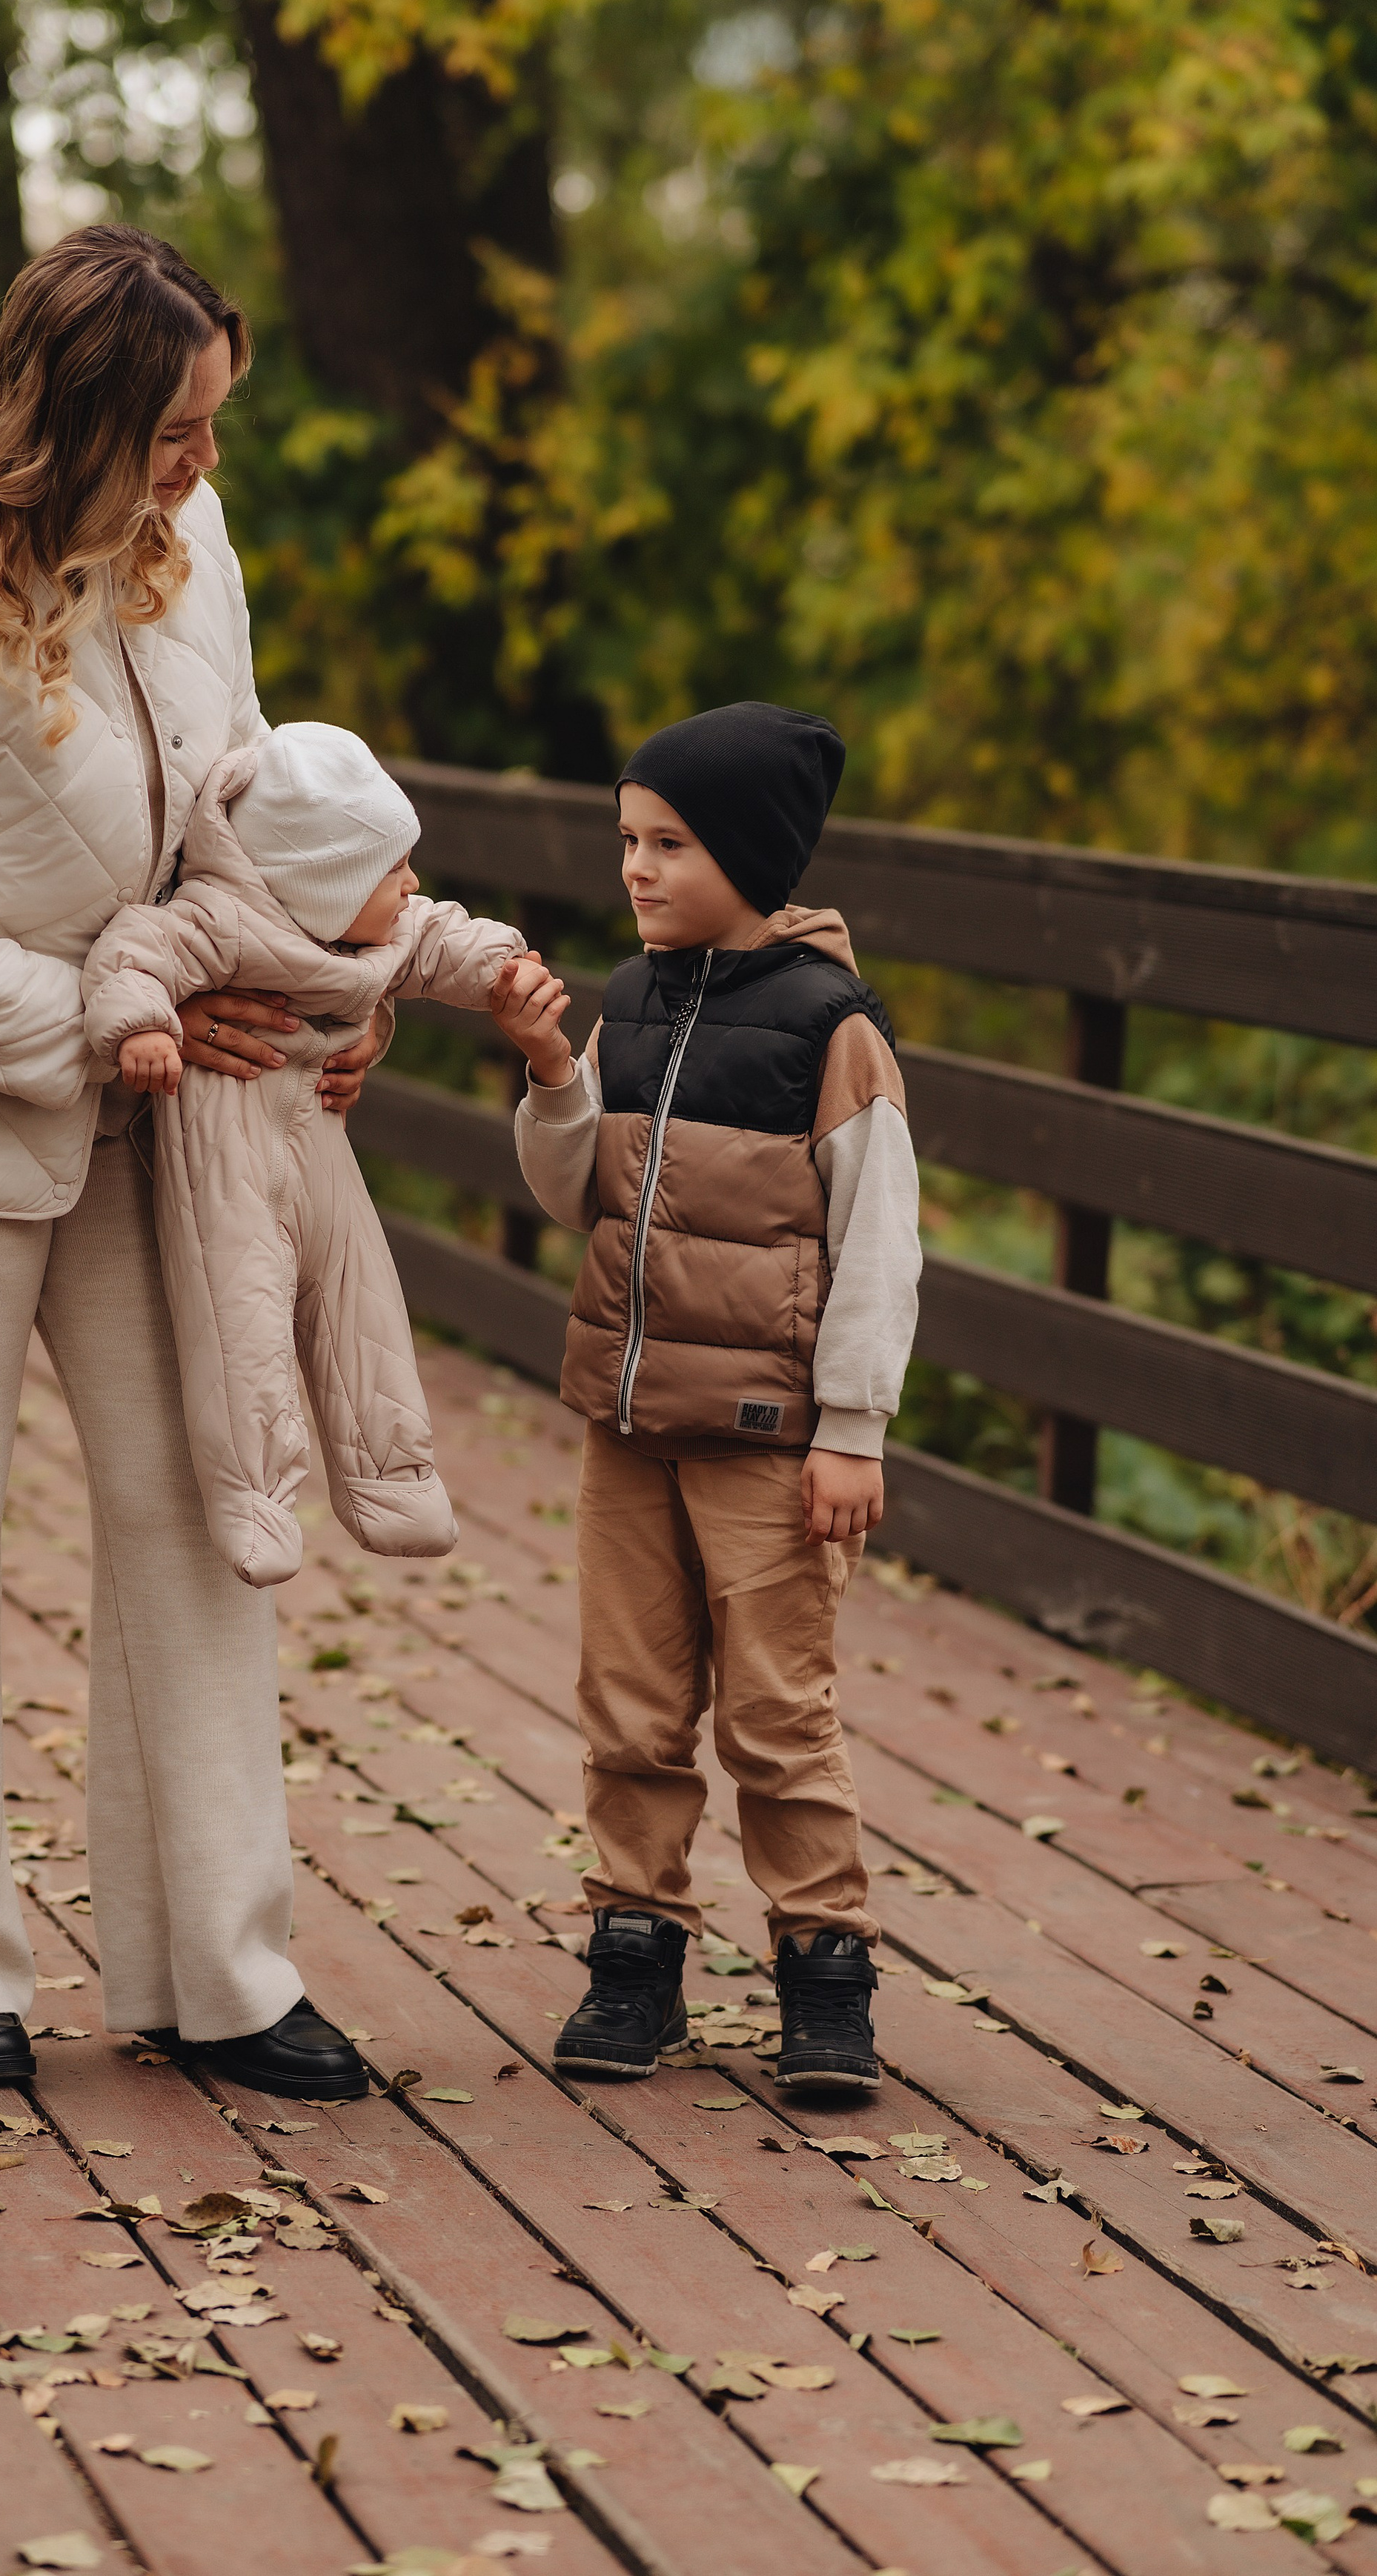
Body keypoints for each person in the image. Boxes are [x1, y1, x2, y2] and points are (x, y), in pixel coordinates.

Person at [0, 224, 379, 2103]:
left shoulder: (199, 568)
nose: (202, 459)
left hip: (154, 1111)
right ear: (77, 415)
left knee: (202, 1510)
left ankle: (217, 1967)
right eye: (175, 430)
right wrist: (98, 1027)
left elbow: (240, 811)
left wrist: (313, 989)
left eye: (211, 425)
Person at [494, 702, 922, 2093]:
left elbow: (879, 1245)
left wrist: (852, 1430)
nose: (637, 867)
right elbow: (577, 1194)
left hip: (767, 1438)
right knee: (628, 1698)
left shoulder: (830, 1028)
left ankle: (826, 1968)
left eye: (669, 842)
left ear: (750, 851)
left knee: (776, 1711)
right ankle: (636, 1954)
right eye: (628, 839)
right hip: (630, 1426)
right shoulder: (634, 997)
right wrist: (559, 1071)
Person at [82, 721, 534, 1587]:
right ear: (318, 882)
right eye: (391, 869)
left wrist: (501, 967)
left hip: (323, 1151)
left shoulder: (375, 929)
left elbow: (439, 936)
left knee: (359, 1304)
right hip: (229, 1159)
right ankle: (252, 1499)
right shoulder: (222, 921)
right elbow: (134, 953)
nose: (411, 885)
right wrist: (139, 1024)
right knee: (238, 1323)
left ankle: (392, 1482)